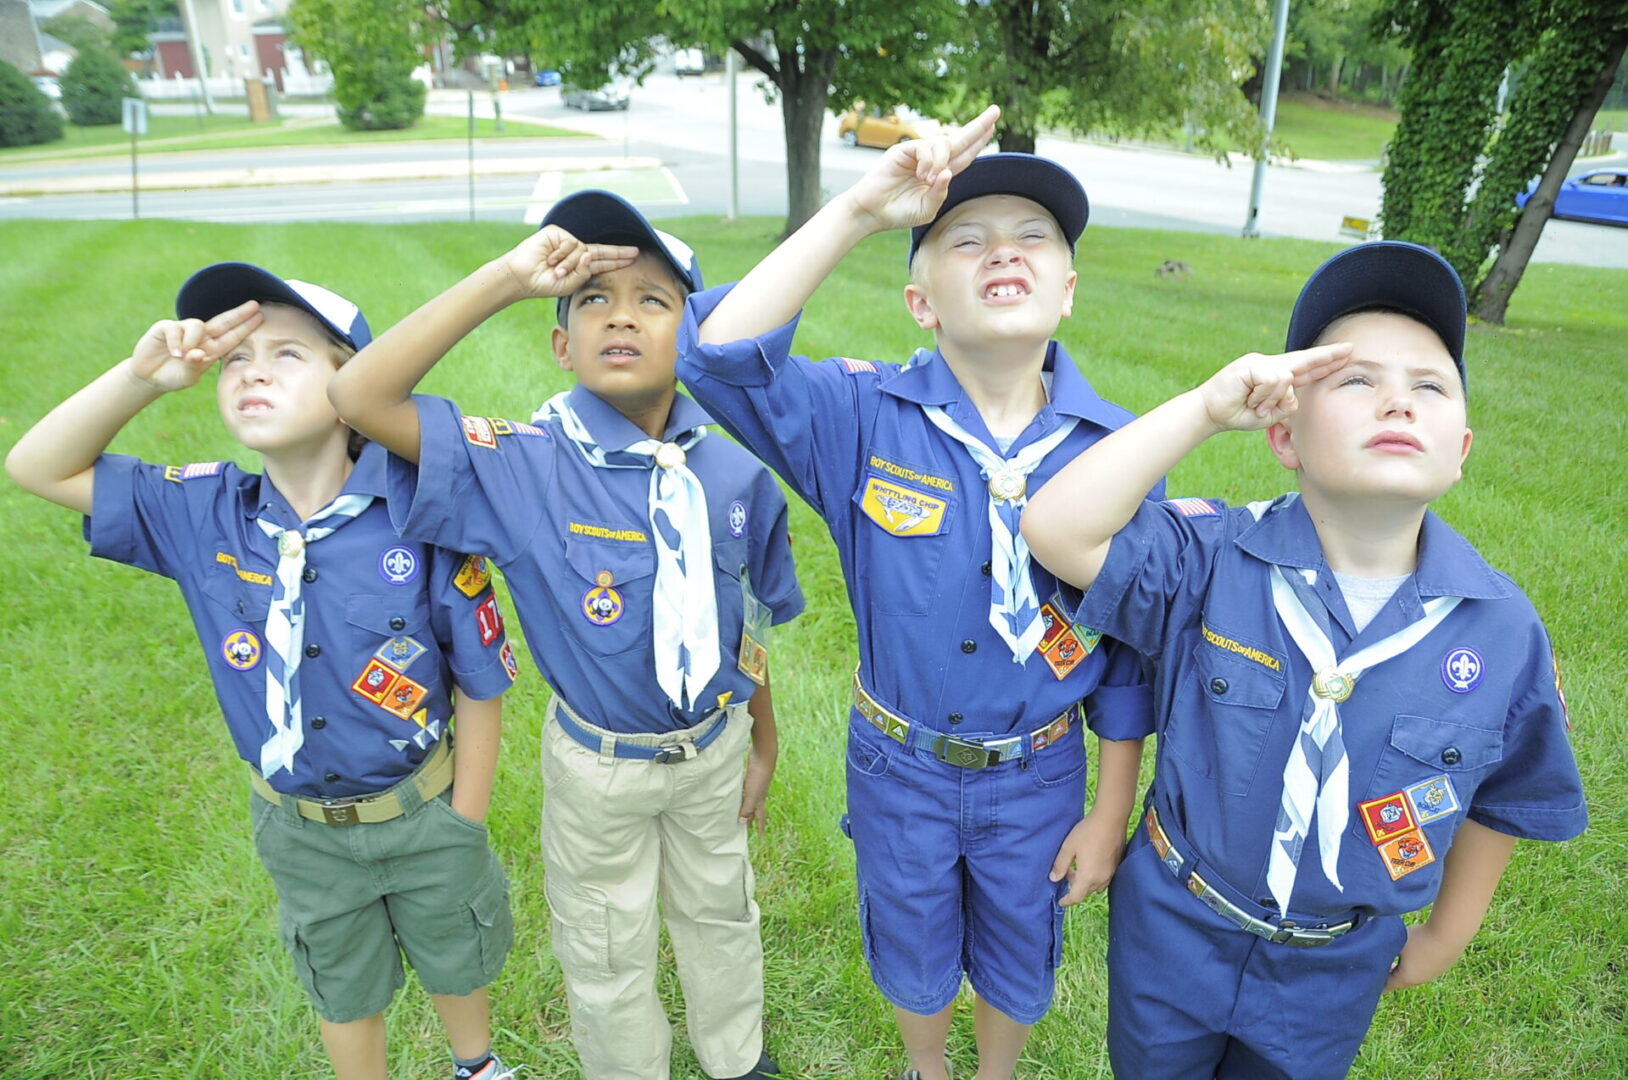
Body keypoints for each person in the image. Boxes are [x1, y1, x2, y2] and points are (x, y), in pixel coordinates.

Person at [1019, 240, 1588, 1079]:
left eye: (1429, 385)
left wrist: (1445, 934)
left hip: (1334, 966)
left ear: (1459, 450)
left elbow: (1506, 799)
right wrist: (1205, 409)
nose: (1398, 401)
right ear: (1282, 433)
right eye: (1357, 380)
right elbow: (1057, 529)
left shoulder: (1501, 631)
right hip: (1176, 926)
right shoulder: (1211, 557)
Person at [677, 105, 1156, 1080]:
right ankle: (927, 1065)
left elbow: (1125, 656)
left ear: (1066, 290)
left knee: (1023, 956)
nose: (1002, 253)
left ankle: (991, 1072)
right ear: (918, 299)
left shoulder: (1118, 452)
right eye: (964, 240)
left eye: (1033, 239)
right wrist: (857, 208)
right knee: (909, 944)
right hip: (901, 767)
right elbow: (717, 359)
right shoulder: (860, 417)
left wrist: (1108, 813)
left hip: (1039, 773)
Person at [326, 192, 802, 1080]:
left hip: (713, 750)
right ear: (560, 341)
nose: (621, 314)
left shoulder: (735, 469)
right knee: (606, 946)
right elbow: (358, 396)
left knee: (723, 916)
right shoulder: (523, 464)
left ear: (691, 334)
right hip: (599, 769)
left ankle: (736, 1058)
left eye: (653, 300)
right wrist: (508, 279)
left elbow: (740, 616)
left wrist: (762, 739)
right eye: (593, 298)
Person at [4, 264, 520, 1080]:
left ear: (352, 382)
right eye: (236, 357)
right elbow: (36, 466)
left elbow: (480, 679)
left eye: (288, 355)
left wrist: (466, 818)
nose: (251, 371)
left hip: (424, 810)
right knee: (340, 982)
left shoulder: (422, 514)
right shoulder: (201, 514)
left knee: (457, 947)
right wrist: (142, 379)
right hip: (299, 827)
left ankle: (478, 1066)